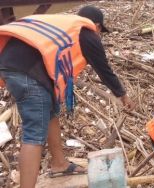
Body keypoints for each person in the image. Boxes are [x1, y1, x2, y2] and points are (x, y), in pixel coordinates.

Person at [0, 6, 135, 188]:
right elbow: (104, 70)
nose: (99, 35)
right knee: (34, 133)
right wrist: (123, 95)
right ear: (96, 26)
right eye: (100, 30)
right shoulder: (86, 33)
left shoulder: (65, 24)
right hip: (26, 72)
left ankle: (59, 164)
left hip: (16, 65)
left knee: (51, 110)